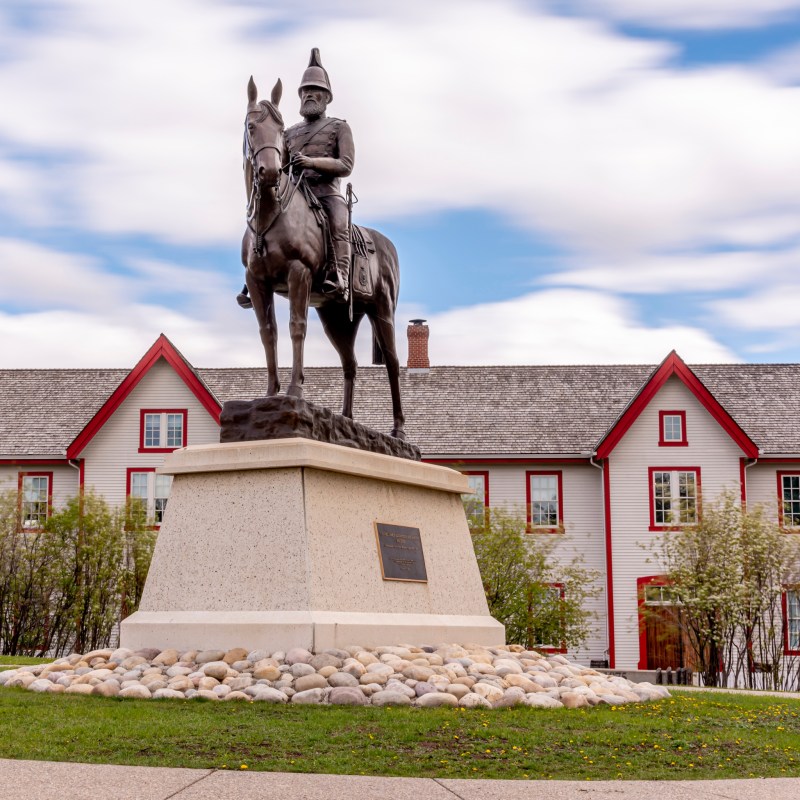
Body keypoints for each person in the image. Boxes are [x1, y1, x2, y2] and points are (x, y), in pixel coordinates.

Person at [237, 48, 354, 308]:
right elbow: (282, 165)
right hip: (295, 193)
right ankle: (254, 274)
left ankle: (339, 274)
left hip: (326, 192)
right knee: (263, 212)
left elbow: (346, 165)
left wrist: (312, 163)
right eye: (305, 91)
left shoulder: (339, 127)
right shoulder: (289, 133)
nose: (309, 95)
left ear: (326, 97)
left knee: (338, 220)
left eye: (315, 91)